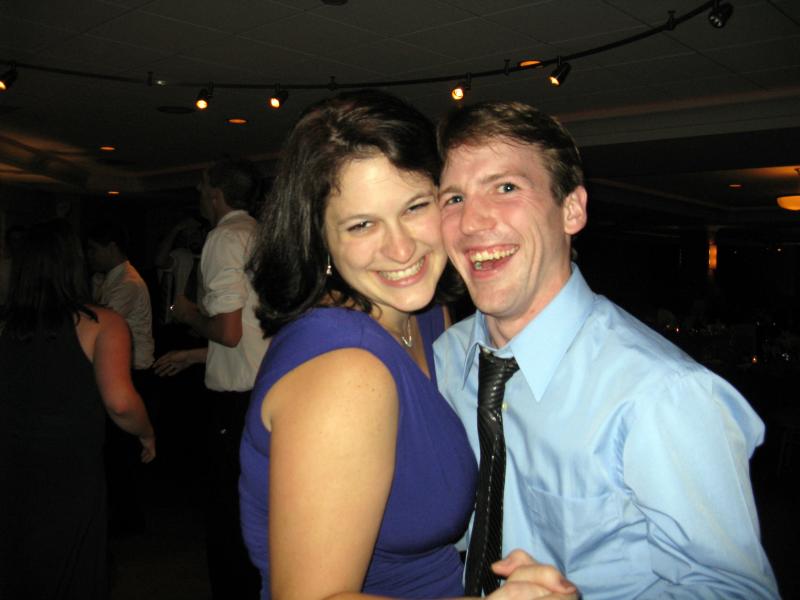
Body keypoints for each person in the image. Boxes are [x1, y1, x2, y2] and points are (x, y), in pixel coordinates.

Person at [239, 89, 578, 600]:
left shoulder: (424, 315)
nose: (400, 249)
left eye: (415, 207)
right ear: (321, 239)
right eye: (362, 225)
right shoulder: (346, 373)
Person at [433, 100, 780, 598]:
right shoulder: (447, 359)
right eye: (453, 198)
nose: (471, 222)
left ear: (572, 209)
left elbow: (737, 591)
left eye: (506, 187)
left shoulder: (663, 394)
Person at [0, 219, 155, 600]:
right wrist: (147, 432)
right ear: (73, 265)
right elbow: (120, 402)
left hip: (12, 460)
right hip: (69, 467)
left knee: (18, 563)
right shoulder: (101, 324)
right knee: (72, 566)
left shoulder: (5, 326)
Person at [154, 158, 269, 599]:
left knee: (227, 518)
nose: (200, 195)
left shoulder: (223, 237)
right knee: (254, 514)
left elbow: (228, 330)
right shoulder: (261, 234)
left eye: (203, 187)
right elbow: (255, 337)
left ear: (216, 194)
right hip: (264, 392)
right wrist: (198, 356)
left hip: (236, 405)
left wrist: (187, 315)